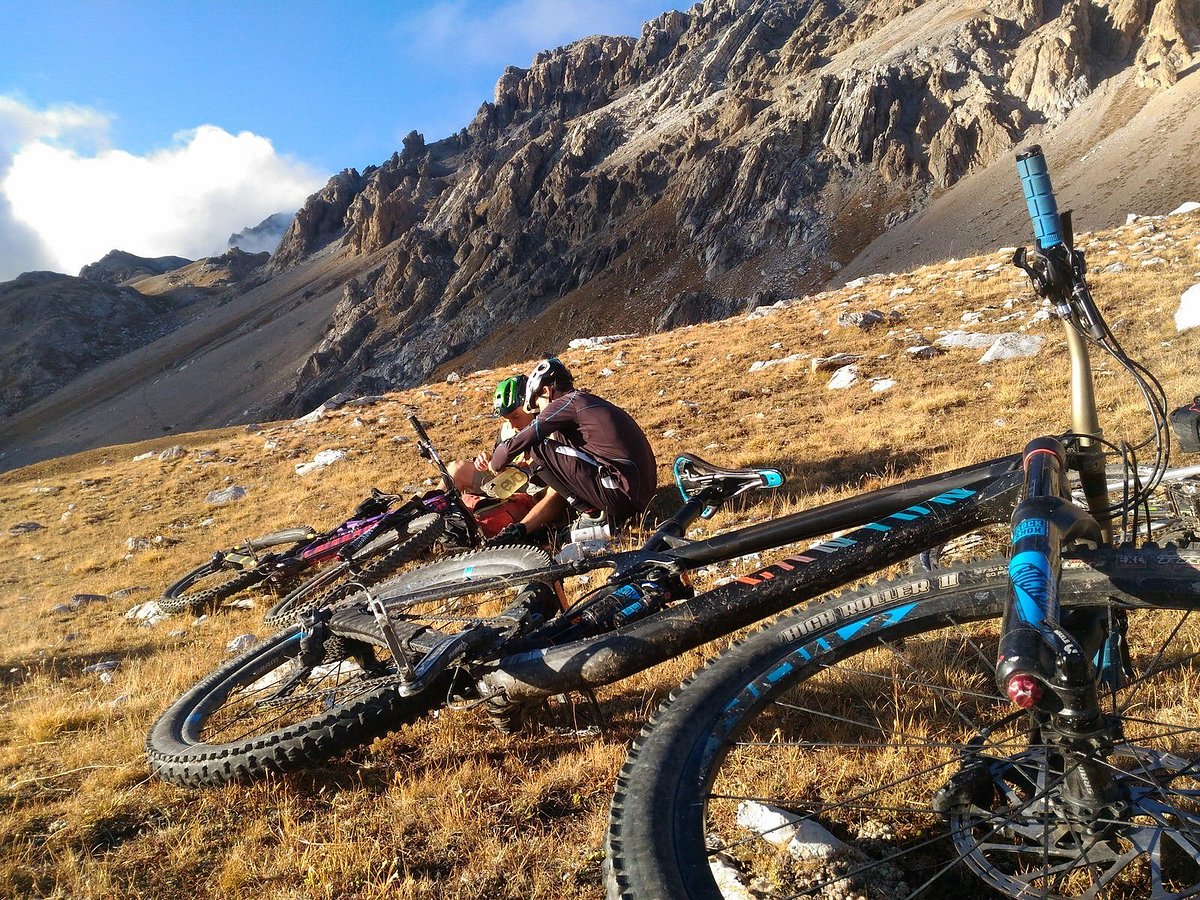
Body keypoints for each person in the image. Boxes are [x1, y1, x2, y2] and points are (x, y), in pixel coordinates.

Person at [480, 357, 657, 545]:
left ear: (547, 391)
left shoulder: (568, 402)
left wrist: (496, 462)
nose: (539, 412)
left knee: (537, 449)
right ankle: (603, 516)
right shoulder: (586, 402)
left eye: (538, 404)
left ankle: (593, 516)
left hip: (621, 494)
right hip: (636, 495)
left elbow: (521, 441)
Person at [447, 375, 534, 495]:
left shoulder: (549, 424)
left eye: (516, 416)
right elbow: (498, 458)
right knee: (456, 469)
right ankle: (426, 510)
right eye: (506, 419)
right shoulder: (508, 430)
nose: (512, 425)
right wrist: (486, 459)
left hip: (534, 487)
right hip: (509, 479)